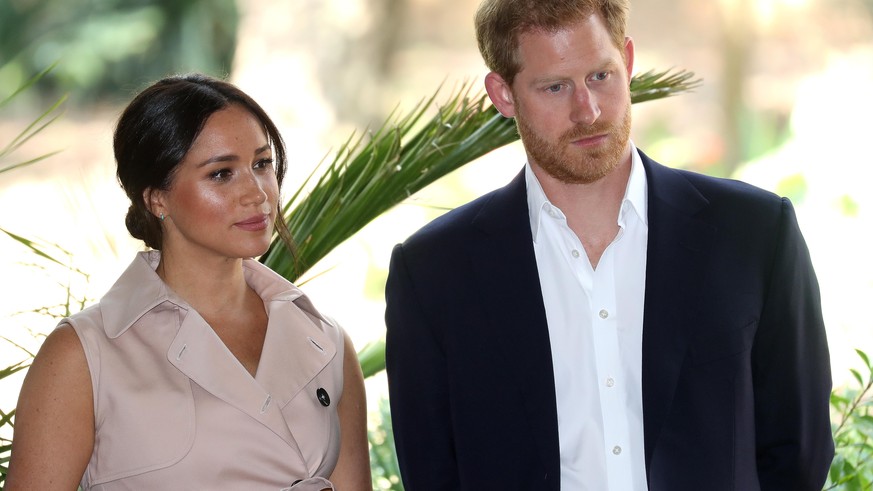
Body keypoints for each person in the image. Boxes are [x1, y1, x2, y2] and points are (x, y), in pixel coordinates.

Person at [384, 1, 834, 489]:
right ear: (503, 94)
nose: (588, 110)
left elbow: (799, 452)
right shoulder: (433, 273)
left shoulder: (756, 234)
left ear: (629, 60)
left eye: (601, 75)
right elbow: (431, 472)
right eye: (555, 87)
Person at [6, 74, 371, 490]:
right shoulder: (84, 355)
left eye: (262, 164)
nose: (257, 193)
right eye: (221, 174)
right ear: (156, 198)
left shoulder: (326, 340)